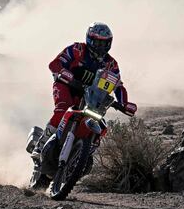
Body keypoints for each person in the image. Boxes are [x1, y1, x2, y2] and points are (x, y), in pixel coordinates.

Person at [31, 22, 136, 160]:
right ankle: (41, 144)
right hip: (66, 86)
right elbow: (54, 64)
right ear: (89, 39)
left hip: (91, 97)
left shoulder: (111, 64)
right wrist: (63, 72)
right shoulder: (77, 49)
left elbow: (118, 85)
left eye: (104, 43)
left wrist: (124, 103)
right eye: (98, 42)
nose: (101, 47)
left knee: (99, 123)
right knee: (62, 109)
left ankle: (83, 157)